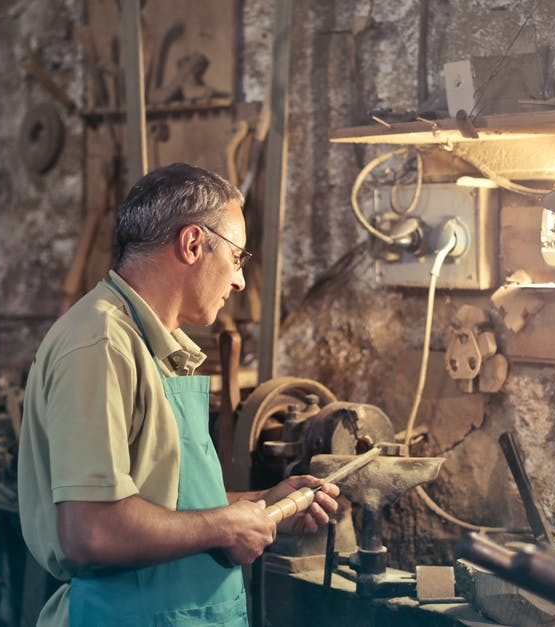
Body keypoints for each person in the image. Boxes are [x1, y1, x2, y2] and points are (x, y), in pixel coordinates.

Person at [18, 163, 340, 627]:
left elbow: (162, 501)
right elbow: (90, 531)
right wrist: (227, 526)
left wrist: (263, 504)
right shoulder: (102, 343)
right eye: (237, 259)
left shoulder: (148, 344)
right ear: (193, 244)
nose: (239, 281)